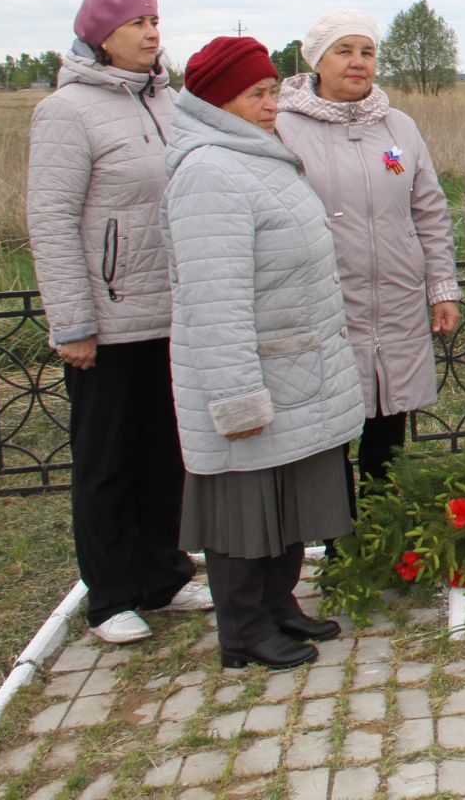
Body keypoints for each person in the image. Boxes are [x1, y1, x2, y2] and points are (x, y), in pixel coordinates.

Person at [164, 37, 365, 671]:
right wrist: (235, 396)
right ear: (218, 101)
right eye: (257, 93)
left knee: (287, 498)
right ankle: (242, 631)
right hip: (251, 370)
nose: (272, 103)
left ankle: (278, 604)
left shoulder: (257, 157)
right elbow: (213, 300)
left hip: (294, 362)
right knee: (244, 508)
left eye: (274, 90)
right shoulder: (208, 173)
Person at [26, 0, 212, 644]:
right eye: (136, 22)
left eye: (156, 19)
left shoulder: (171, 102)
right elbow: (49, 220)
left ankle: (163, 574)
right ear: (101, 34)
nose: (151, 33)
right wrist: (72, 321)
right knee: (107, 460)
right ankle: (110, 594)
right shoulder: (66, 112)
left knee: (168, 453)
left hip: (175, 311)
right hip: (108, 319)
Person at [275, 10, 460, 497]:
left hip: (396, 300)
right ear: (315, 58)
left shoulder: (398, 128)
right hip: (325, 301)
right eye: (344, 50)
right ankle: (339, 543)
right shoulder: (283, 128)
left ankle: (385, 532)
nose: (358, 62)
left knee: (388, 423)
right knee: (330, 423)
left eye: (367, 51)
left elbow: (429, 211)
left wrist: (441, 288)